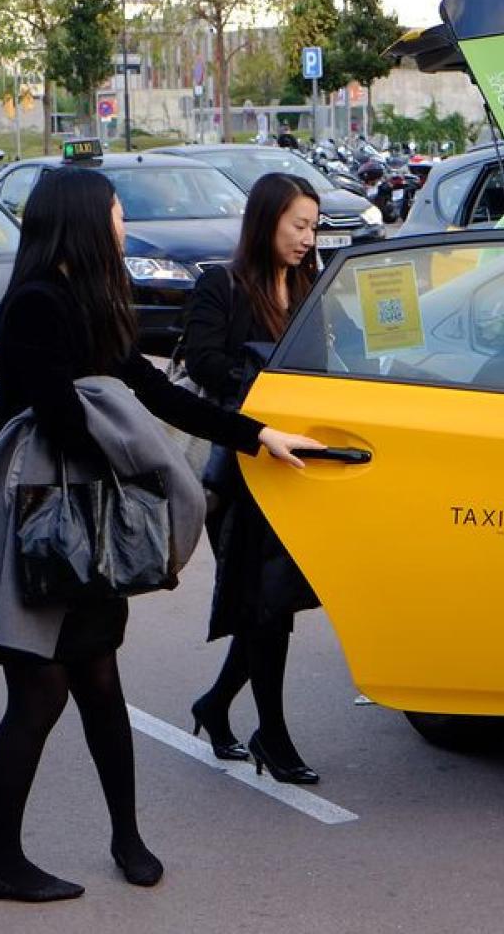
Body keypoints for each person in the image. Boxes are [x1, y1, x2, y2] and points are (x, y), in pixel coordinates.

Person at [0, 167, 319, 902]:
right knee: (38, 694)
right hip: (42, 527)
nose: (124, 225)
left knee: (98, 679)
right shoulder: (37, 305)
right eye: (118, 213)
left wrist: (256, 436)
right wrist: (139, 463)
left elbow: (159, 392)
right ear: (85, 222)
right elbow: (63, 416)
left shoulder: (91, 304)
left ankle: (126, 837)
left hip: (85, 525)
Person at [184, 173, 326, 784]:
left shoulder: (311, 285)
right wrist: (265, 374)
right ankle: (272, 734)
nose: (307, 237)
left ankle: (216, 706)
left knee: (271, 603)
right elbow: (203, 363)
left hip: (296, 467)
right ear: (266, 221)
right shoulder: (221, 285)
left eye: (314, 226)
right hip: (240, 469)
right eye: (298, 224)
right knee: (265, 603)